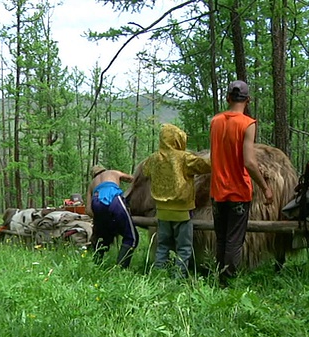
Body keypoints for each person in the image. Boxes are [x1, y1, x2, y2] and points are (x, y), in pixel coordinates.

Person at [209, 80, 274, 285]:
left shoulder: (215, 121)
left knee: (221, 239)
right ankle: (227, 284)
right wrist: (265, 188)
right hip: (238, 192)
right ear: (248, 100)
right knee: (234, 242)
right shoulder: (248, 124)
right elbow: (249, 162)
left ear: (228, 98)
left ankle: (219, 279)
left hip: (217, 190)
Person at [143, 124, 212, 278]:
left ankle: (159, 274)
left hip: (161, 212)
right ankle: (178, 277)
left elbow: (145, 171)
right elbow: (207, 166)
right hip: (181, 212)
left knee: (162, 246)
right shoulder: (184, 158)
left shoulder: (153, 159)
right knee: (184, 248)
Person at [86, 164, 139, 268]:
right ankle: (120, 268)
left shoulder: (92, 184)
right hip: (113, 198)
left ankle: (96, 266)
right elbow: (133, 179)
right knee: (132, 237)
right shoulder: (113, 172)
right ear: (104, 170)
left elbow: (88, 210)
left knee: (101, 238)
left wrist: (101, 218)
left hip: (96, 202)